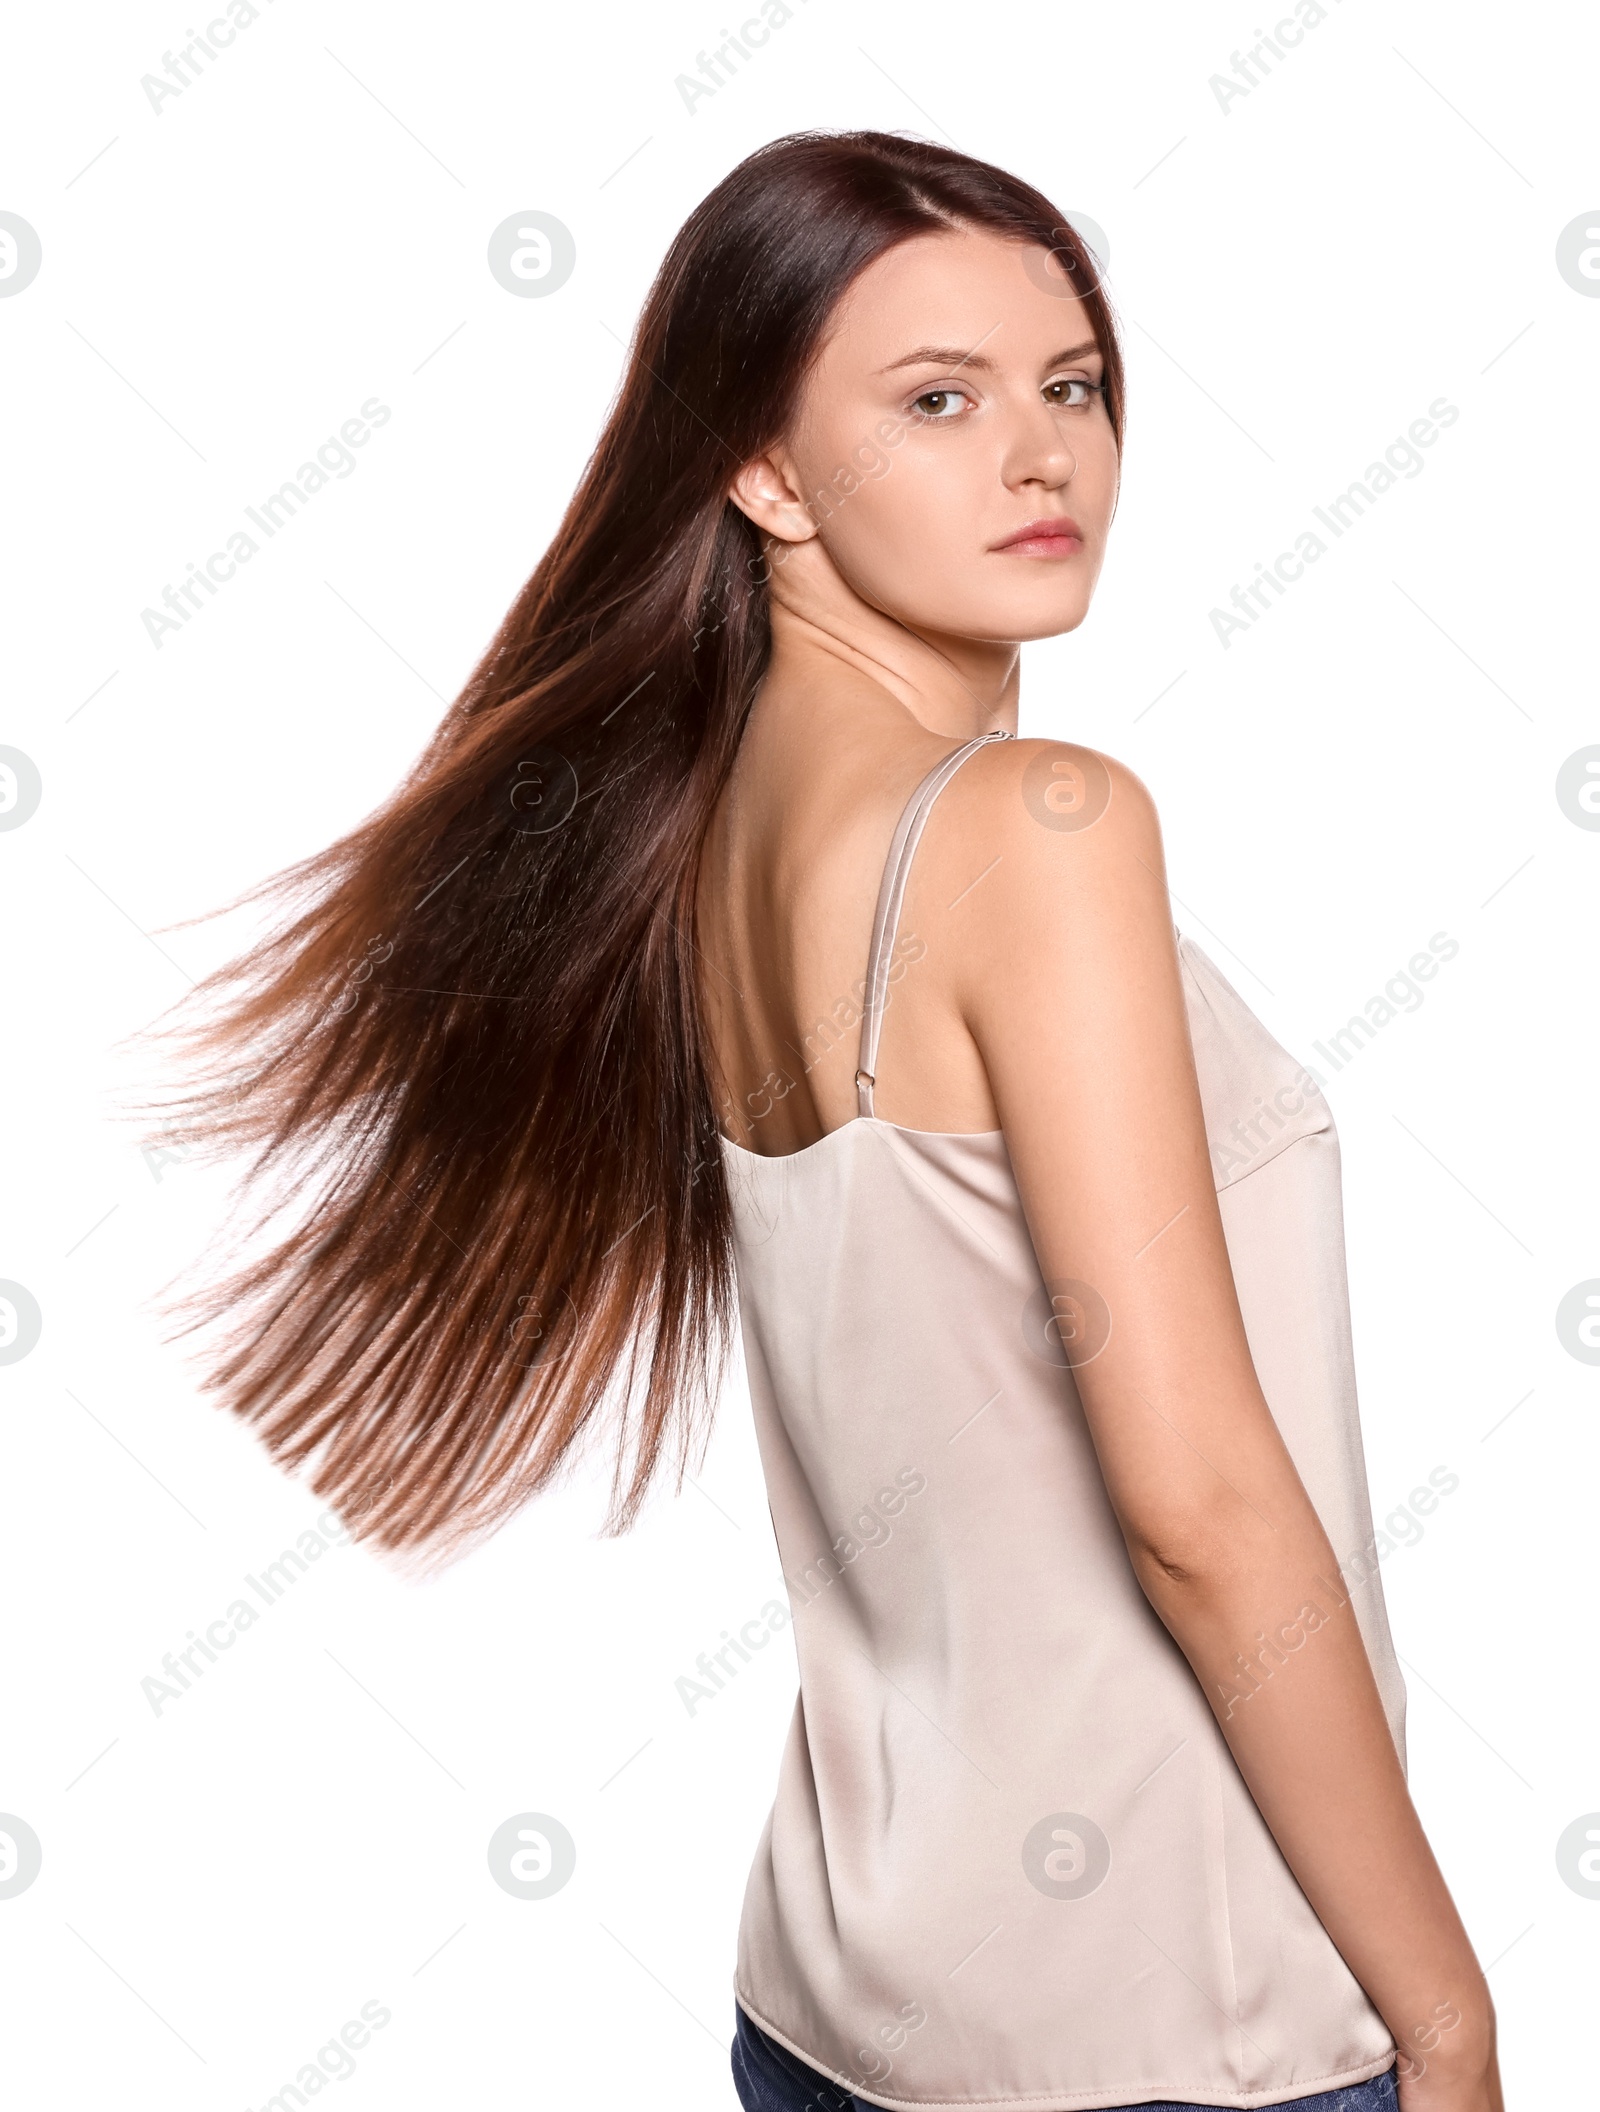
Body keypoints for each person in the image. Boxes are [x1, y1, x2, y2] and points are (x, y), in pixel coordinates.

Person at [152, 132, 1504, 2112]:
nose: (1038, 457)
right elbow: (1199, 1511)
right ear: (761, 469)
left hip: (835, 2005)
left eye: (1071, 384)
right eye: (934, 401)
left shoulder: (701, 833)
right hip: (1168, 2022)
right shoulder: (1040, 835)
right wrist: (1444, 2019)